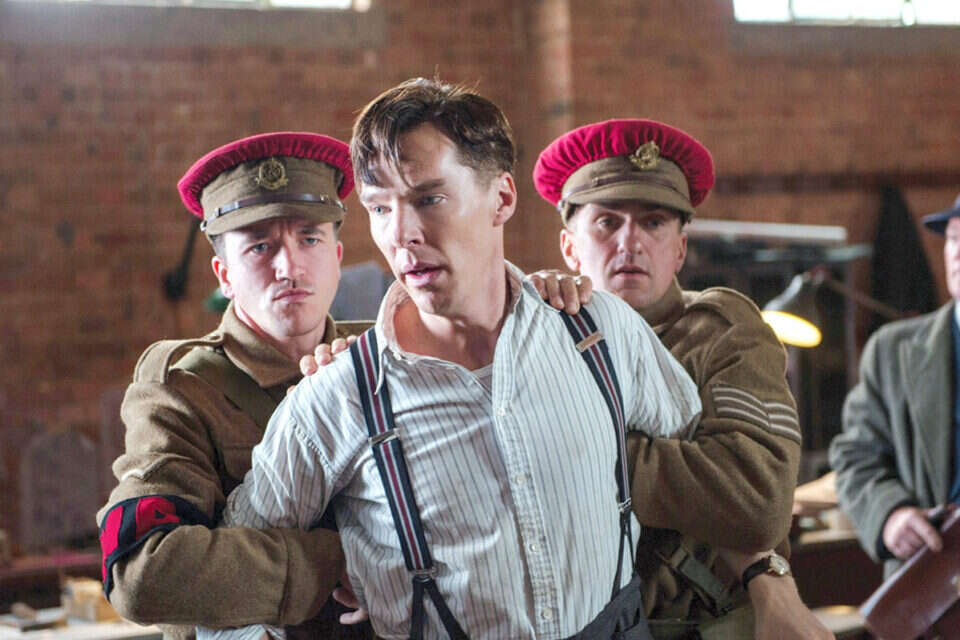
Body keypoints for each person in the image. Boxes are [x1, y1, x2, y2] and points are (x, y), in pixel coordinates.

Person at [197, 78, 703, 640]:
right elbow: (223, 601)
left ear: (502, 199)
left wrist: (760, 574)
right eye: (379, 208)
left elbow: (703, 463)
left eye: (428, 199)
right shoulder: (337, 399)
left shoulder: (601, 331)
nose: (401, 234)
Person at [533, 119, 832, 639]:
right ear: (569, 247)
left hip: (690, 624)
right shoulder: (536, 341)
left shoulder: (721, 331)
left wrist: (583, 453)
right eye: (606, 223)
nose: (630, 242)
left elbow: (757, 500)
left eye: (653, 223)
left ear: (680, 249)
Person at [97, 132, 373, 639]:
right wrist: (337, 562)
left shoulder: (380, 359)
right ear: (223, 275)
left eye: (309, 239)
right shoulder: (184, 390)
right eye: (260, 246)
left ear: (337, 256)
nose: (289, 267)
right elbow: (142, 572)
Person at [830, 193, 960, 577]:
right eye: (954, 238)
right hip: (931, 582)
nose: (957, 253)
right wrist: (890, 514)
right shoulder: (892, 352)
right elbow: (855, 456)